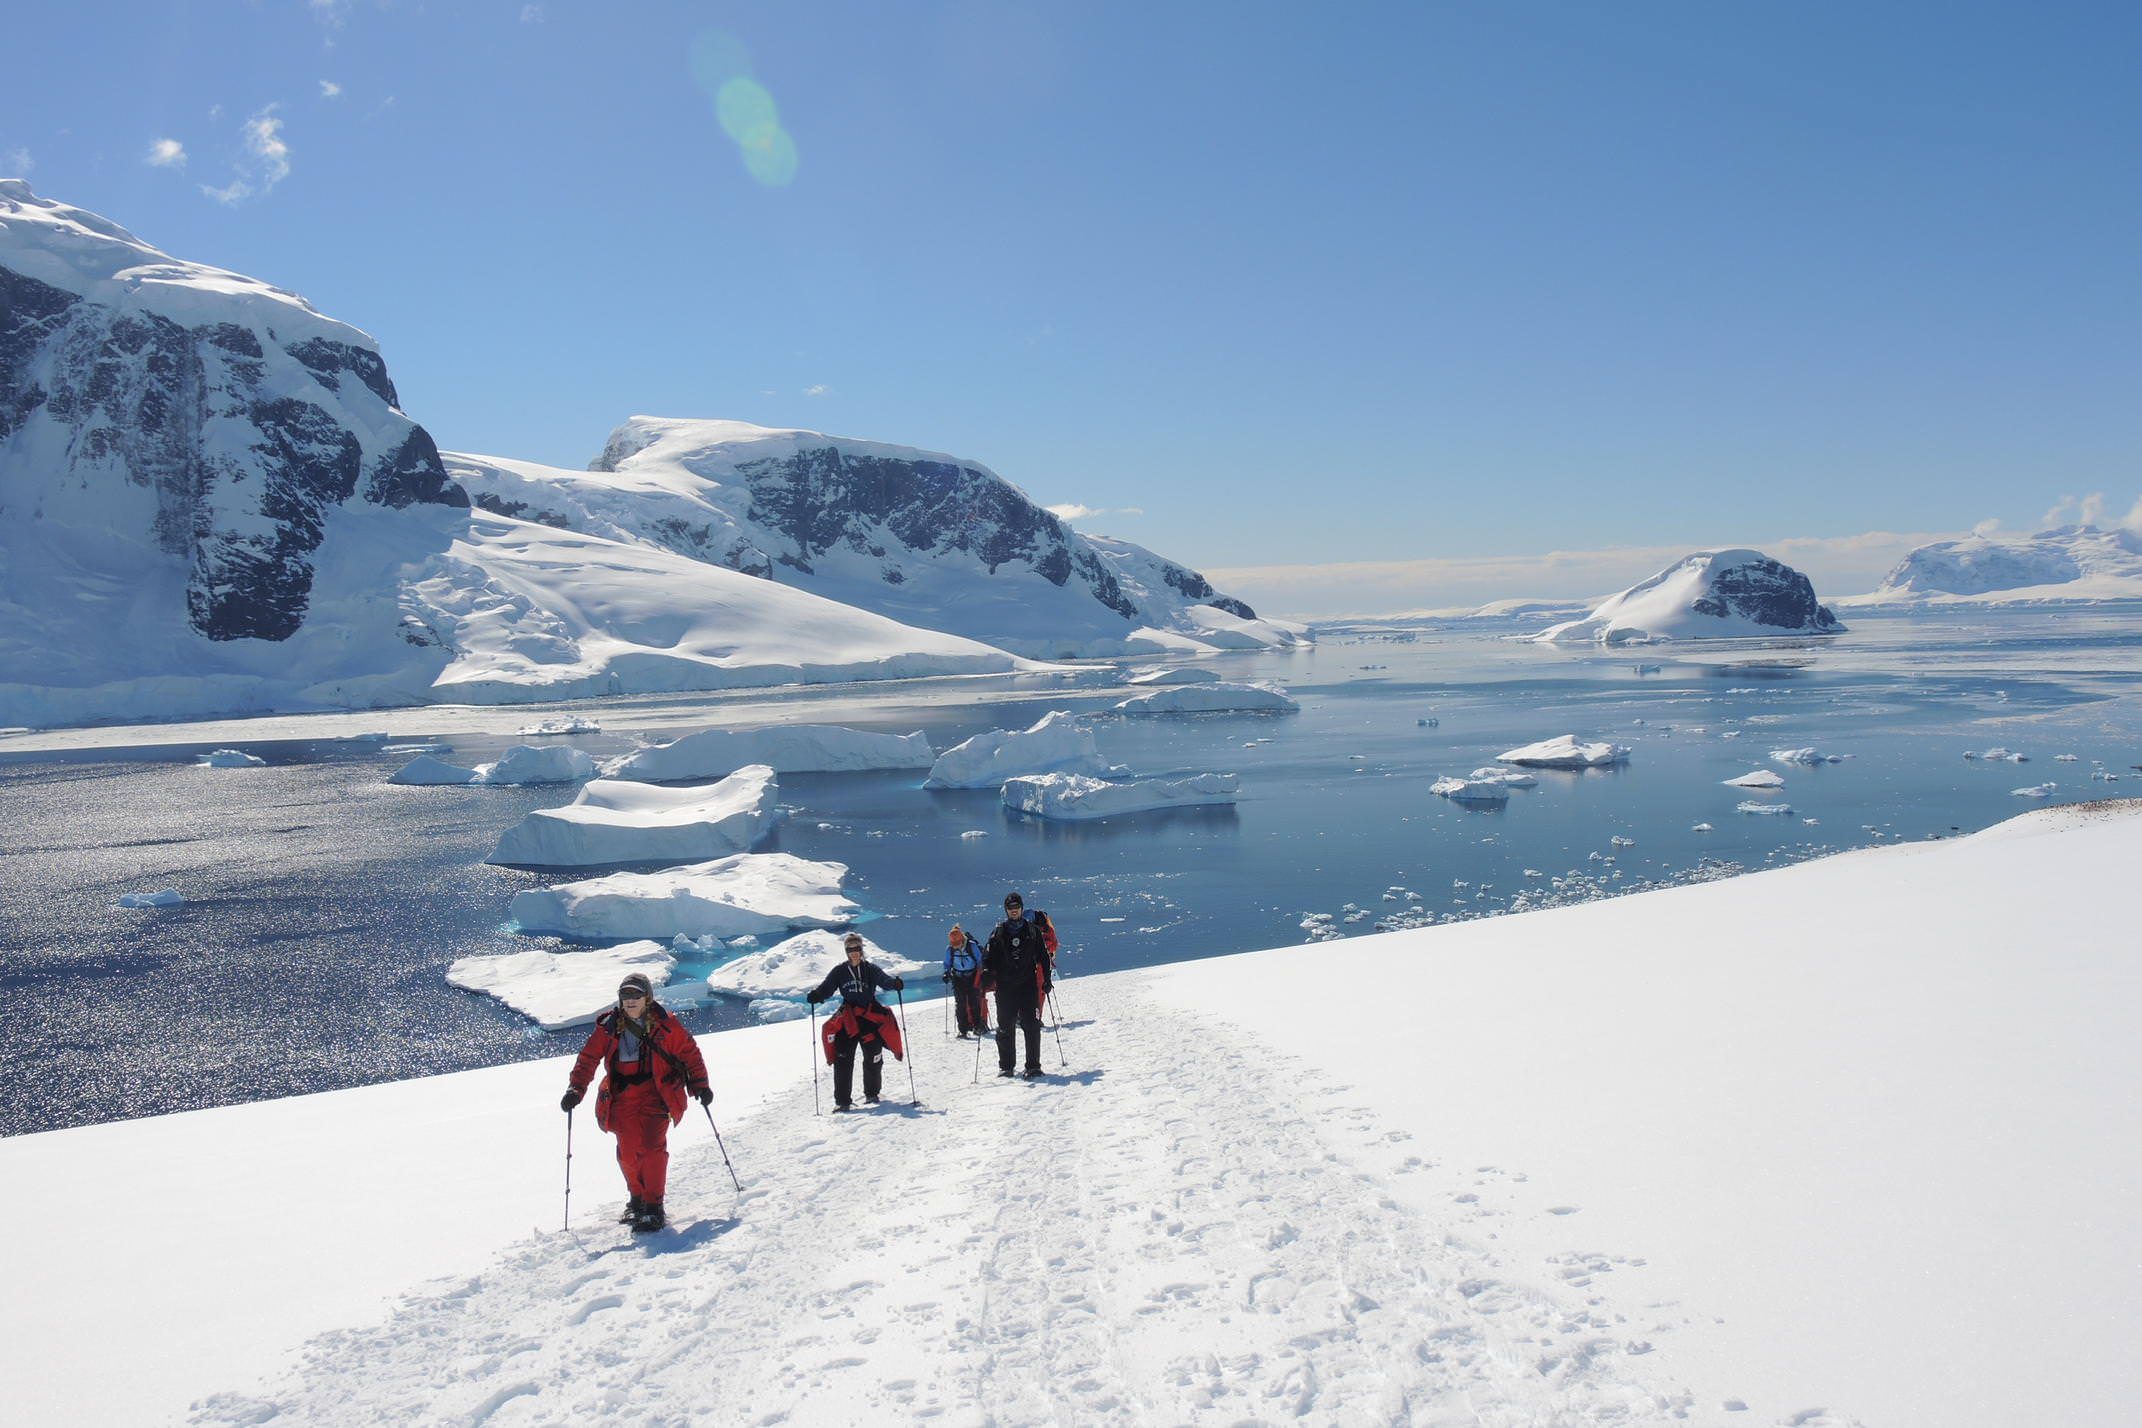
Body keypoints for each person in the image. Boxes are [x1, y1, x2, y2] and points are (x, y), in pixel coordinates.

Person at [559, 972, 711, 1232]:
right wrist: (576, 1088)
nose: (630, 1000)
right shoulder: (608, 1028)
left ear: (647, 998)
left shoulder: (666, 1025)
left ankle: (654, 1207)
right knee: (628, 1153)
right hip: (622, 1098)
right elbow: (588, 1058)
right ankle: (637, 1200)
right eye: (625, 995)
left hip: (656, 1096)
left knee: (652, 1149)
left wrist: (700, 1085)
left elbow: (689, 1053)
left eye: (636, 995)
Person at [807, 933, 907, 1110]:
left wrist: (895, 984)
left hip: (869, 1018)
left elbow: (884, 981)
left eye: (857, 949)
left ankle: (872, 1094)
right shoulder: (839, 971)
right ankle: (842, 1101)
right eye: (850, 949)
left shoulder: (871, 969)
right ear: (846, 951)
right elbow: (827, 987)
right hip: (848, 1019)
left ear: (861, 950)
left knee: (873, 1057)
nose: (854, 952)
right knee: (843, 1059)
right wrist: (817, 995)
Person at [981, 891, 1054, 1079]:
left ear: (1021, 908)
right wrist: (987, 972)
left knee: (1031, 1025)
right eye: (1010, 908)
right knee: (1005, 1027)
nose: (1014, 911)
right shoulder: (998, 932)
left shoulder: (1032, 930)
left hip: (1027, 985)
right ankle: (1006, 1067)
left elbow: (1044, 957)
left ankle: (1033, 1066)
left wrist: (1047, 980)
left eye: (1017, 907)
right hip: (1005, 987)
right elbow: (988, 957)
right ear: (1006, 910)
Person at [942, 922, 989, 1039]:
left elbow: (979, 961)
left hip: (973, 977)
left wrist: (982, 974)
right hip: (958, 978)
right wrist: (946, 973)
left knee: (974, 1002)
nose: (955, 946)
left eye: (957, 944)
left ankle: (977, 1026)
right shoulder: (950, 949)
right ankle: (963, 1030)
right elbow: (947, 963)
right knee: (960, 1005)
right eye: (954, 944)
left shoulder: (971, 946)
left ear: (962, 939)